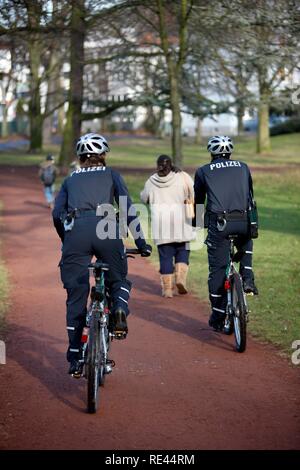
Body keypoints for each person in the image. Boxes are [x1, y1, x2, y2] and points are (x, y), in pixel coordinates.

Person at [52, 133, 152, 376]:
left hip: (76, 230)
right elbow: (127, 208)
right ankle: (118, 307)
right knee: (118, 280)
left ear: (81, 157)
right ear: (103, 155)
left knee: (76, 294)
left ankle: (75, 356)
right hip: (106, 225)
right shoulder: (112, 175)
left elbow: (57, 214)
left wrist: (67, 241)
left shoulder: (70, 179)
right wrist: (141, 242)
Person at [194, 135, 258, 331]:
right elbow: (250, 196)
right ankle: (247, 278)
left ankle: (218, 316)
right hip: (244, 221)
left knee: (217, 271)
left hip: (220, 225)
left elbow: (198, 201)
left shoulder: (203, 171)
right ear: (229, 152)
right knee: (245, 243)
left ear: (212, 153)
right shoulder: (244, 167)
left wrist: (197, 223)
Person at [140, 155, 195, 298]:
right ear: (171, 165)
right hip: (181, 222)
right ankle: (180, 279)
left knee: (165, 257)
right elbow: (193, 192)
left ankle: (168, 290)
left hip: (161, 225)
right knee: (183, 249)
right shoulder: (182, 177)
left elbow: (144, 198)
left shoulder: (151, 181)